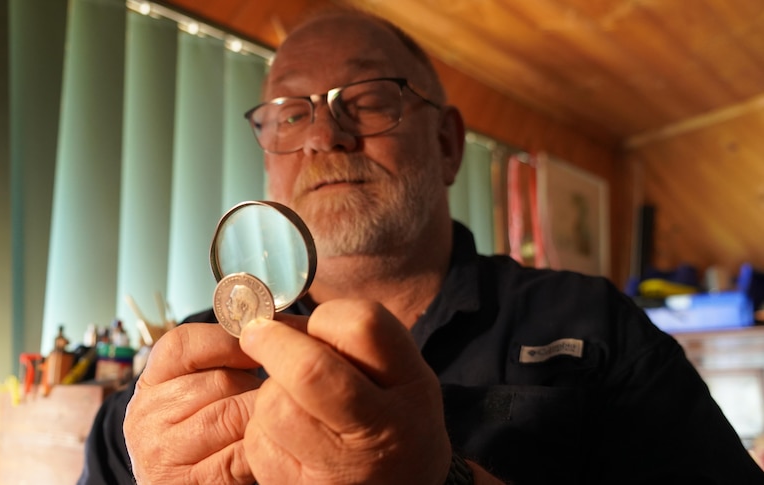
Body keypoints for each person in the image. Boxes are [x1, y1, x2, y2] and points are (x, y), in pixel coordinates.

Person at [78, 9, 764, 485]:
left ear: (447, 144)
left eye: (369, 98)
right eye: (290, 113)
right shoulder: (171, 388)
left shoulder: (596, 328)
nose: (324, 135)